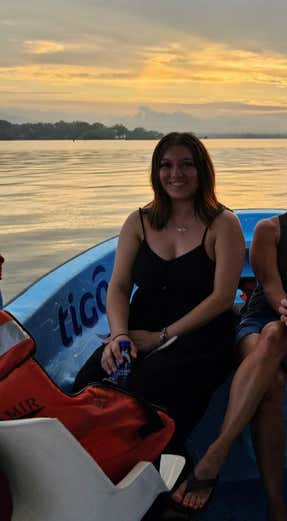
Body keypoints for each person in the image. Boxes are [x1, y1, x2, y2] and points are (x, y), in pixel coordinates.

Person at [172, 152, 287, 520]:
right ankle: (277, 507)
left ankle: (214, 456)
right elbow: (269, 286)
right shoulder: (269, 230)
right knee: (271, 377)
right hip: (261, 320)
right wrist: (284, 307)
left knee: (275, 339)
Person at [73, 132, 244, 463]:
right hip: (140, 326)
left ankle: (167, 477)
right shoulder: (138, 221)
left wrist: (162, 337)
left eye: (186, 165)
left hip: (200, 333)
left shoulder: (223, 224)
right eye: (166, 165)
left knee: (154, 393)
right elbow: (119, 286)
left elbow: (223, 297)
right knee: (88, 384)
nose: (175, 174)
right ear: (156, 172)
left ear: (202, 171)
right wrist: (119, 336)